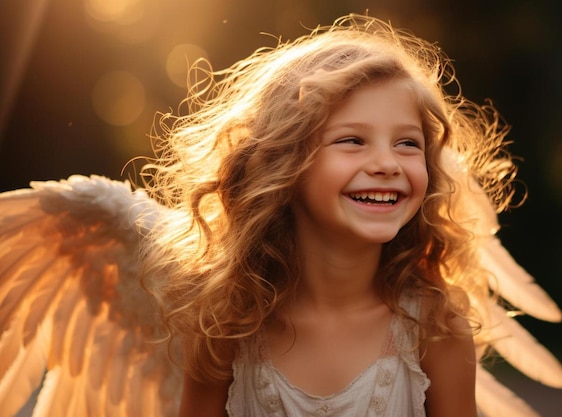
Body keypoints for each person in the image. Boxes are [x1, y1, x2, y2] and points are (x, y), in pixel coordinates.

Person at [135, 13, 522, 417]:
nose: (387, 163)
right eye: (352, 140)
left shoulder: (436, 329)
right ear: (284, 161)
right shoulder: (226, 326)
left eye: (407, 143)